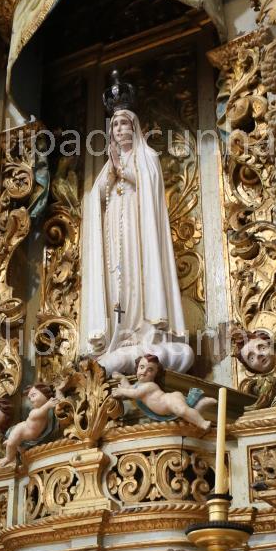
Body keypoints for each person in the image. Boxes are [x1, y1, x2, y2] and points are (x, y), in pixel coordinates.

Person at [82, 97, 193, 376]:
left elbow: (148, 187)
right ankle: (121, 334)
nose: (119, 129)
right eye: (115, 125)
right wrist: (111, 174)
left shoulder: (148, 157)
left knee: (136, 278)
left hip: (139, 234)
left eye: (124, 123)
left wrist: (122, 170)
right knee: (117, 284)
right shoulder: (108, 167)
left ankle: (144, 332)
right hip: (115, 236)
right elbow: (96, 199)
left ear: (134, 127)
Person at [113, 355, 216, 430]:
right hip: (168, 407)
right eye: (142, 367)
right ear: (137, 368)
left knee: (182, 411)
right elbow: (128, 388)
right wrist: (122, 378)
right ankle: (201, 404)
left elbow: (134, 394)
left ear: (155, 374)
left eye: (150, 370)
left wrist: (121, 391)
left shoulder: (149, 386)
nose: (144, 371)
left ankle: (202, 422)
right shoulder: (137, 385)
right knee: (184, 415)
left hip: (170, 400)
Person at [0, 384, 59, 466]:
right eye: (29, 398)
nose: (31, 399)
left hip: (26, 436)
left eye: (33, 395)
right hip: (20, 431)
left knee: (19, 446)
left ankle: (14, 444)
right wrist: (47, 405)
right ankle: (8, 458)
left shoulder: (46, 410)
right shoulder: (34, 412)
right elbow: (40, 412)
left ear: (45, 394)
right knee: (11, 444)